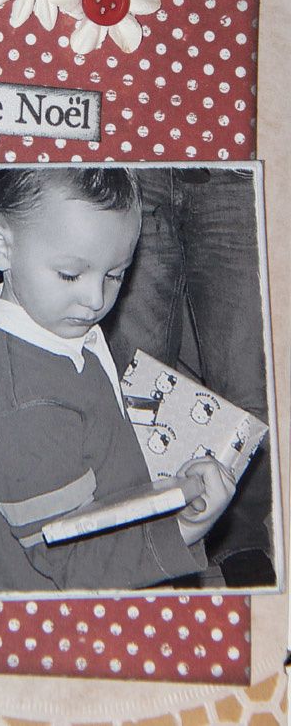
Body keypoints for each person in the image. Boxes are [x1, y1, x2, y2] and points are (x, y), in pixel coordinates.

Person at [0, 167, 236, 593]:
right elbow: (76, 562)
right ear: (1, 248)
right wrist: (186, 528)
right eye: (70, 275)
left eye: (115, 274)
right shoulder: (26, 407)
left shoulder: (42, 329)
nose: (96, 300)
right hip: (54, 607)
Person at [104, 167, 274, 586]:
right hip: (137, 163)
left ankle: (242, 536)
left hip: (234, 172)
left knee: (248, 379)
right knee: (136, 377)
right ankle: (156, 539)